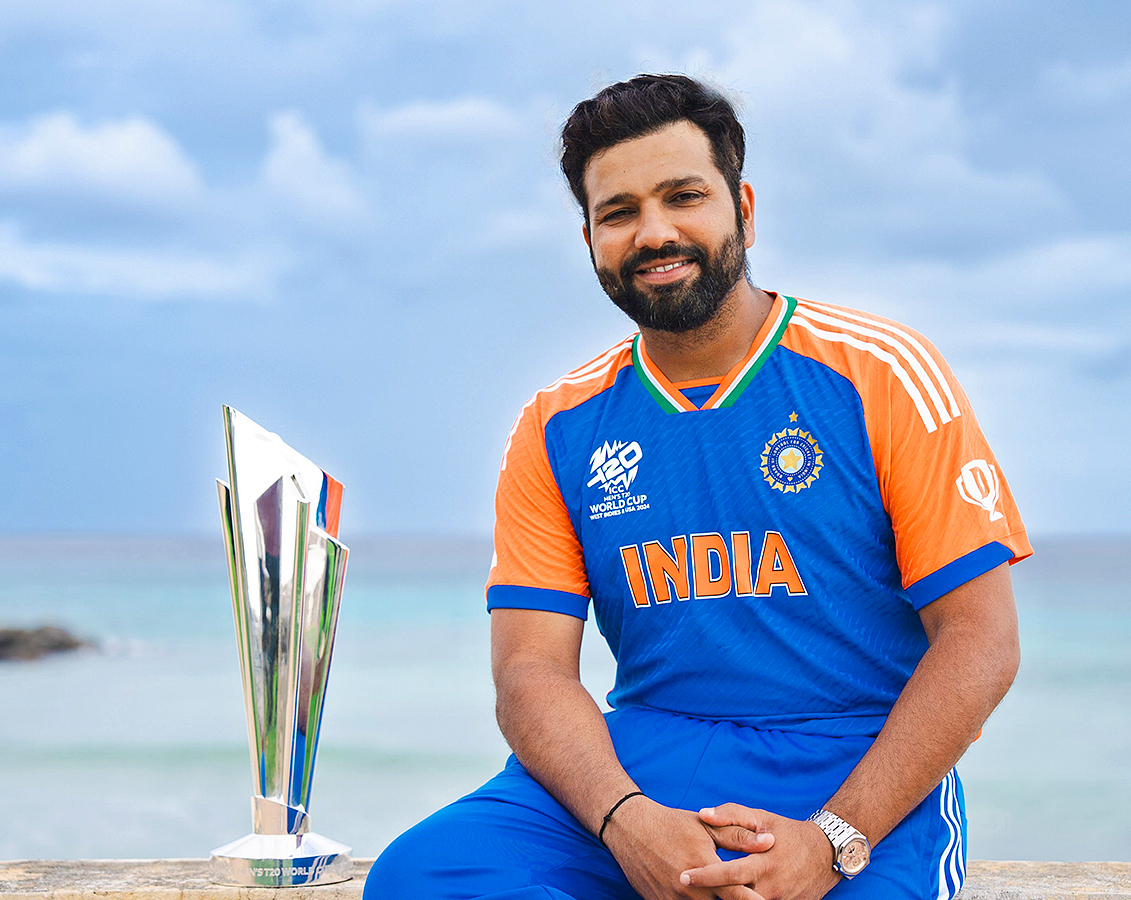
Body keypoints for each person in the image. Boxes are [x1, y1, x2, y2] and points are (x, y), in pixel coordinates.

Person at [365, 73, 1031, 900]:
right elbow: (531, 672)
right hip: (643, 759)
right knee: (423, 875)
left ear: (743, 209)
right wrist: (626, 818)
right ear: (591, 241)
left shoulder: (881, 372)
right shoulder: (558, 423)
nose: (655, 232)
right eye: (619, 213)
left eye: (684, 195)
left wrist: (832, 842)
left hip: (852, 766)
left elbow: (980, 638)